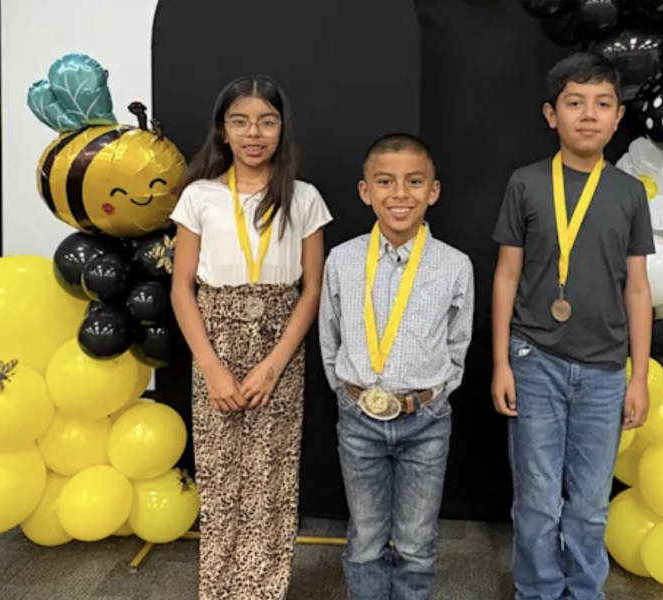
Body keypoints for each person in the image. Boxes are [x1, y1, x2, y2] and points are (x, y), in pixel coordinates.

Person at [490, 52, 656, 600]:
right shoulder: (526, 183)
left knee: (588, 504)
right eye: (575, 103)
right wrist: (500, 363)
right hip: (534, 360)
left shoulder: (629, 193)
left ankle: (584, 591)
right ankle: (537, 591)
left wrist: (638, 376)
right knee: (538, 500)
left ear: (618, 117)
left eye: (602, 104)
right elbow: (507, 276)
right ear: (551, 114)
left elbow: (637, 288)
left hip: (605, 370)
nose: (589, 114)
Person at [169, 75, 333, 600]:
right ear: (223, 130)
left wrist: (274, 364)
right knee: (220, 479)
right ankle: (219, 590)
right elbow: (182, 288)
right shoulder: (199, 196)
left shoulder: (303, 198)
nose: (253, 133)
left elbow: (311, 289)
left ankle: (262, 591)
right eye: (240, 122)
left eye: (266, 122)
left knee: (271, 478)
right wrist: (211, 368)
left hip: (279, 345)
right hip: (214, 343)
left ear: (282, 129)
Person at [319, 133, 475, 600]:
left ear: (434, 190)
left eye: (414, 181)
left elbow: (458, 341)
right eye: (385, 181)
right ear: (365, 190)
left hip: (426, 420)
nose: (400, 194)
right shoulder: (342, 260)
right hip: (358, 418)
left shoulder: (454, 265)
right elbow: (329, 335)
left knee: (416, 543)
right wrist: (347, 392)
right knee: (365, 539)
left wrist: (436, 394)